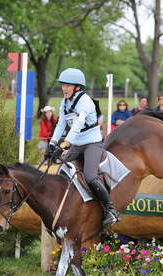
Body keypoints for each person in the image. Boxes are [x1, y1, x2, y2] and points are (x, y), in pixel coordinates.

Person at [45, 67, 119, 227]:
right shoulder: (64, 103)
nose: (64, 88)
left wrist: (64, 145)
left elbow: (77, 125)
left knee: (90, 176)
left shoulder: (85, 101)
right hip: (77, 145)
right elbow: (60, 125)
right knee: (60, 171)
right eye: (63, 85)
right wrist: (52, 144)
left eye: (68, 85)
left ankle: (110, 210)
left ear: (77, 87)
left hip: (92, 144)